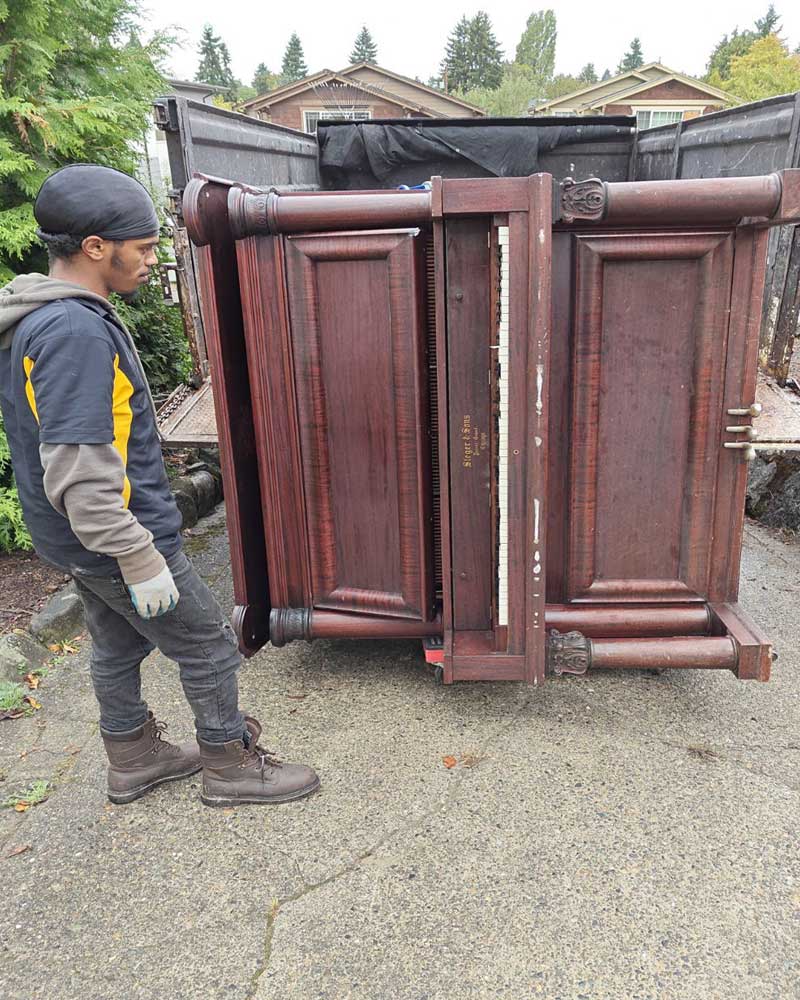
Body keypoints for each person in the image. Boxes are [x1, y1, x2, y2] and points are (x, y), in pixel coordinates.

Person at [0, 164, 319, 807]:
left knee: (117, 643)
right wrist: (141, 557)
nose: (152, 261)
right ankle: (230, 765)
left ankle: (134, 756)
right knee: (208, 644)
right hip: (115, 536)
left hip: (79, 540)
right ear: (96, 247)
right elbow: (80, 469)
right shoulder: (72, 332)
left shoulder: (46, 317)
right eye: (143, 249)